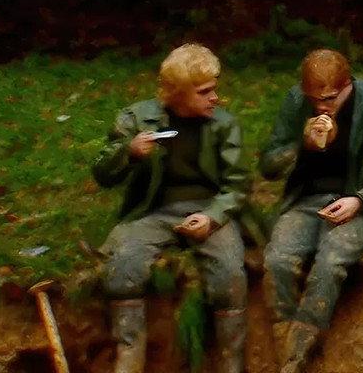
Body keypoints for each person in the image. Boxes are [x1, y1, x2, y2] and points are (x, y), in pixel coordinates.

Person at [92, 43, 249, 373]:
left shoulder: (224, 124)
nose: (215, 98)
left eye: (214, 88)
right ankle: (129, 358)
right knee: (123, 268)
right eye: (204, 92)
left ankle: (231, 363)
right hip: (153, 211)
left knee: (230, 277)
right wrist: (129, 152)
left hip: (210, 209)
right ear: (178, 93)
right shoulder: (137, 118)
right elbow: (102, 173)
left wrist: (212, 218)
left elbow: (238, 185)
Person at [259, 49, 363, 373]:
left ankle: (298, 355)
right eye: (314, 100)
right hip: (307, 201)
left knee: (330, 260)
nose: (322, 107)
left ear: (347, 86)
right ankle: (284, 341)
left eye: (329, 99)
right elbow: (268, 166)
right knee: (278, 260)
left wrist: (360, 199)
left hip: (361, 205)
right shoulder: (296, 102)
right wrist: (301, 145)